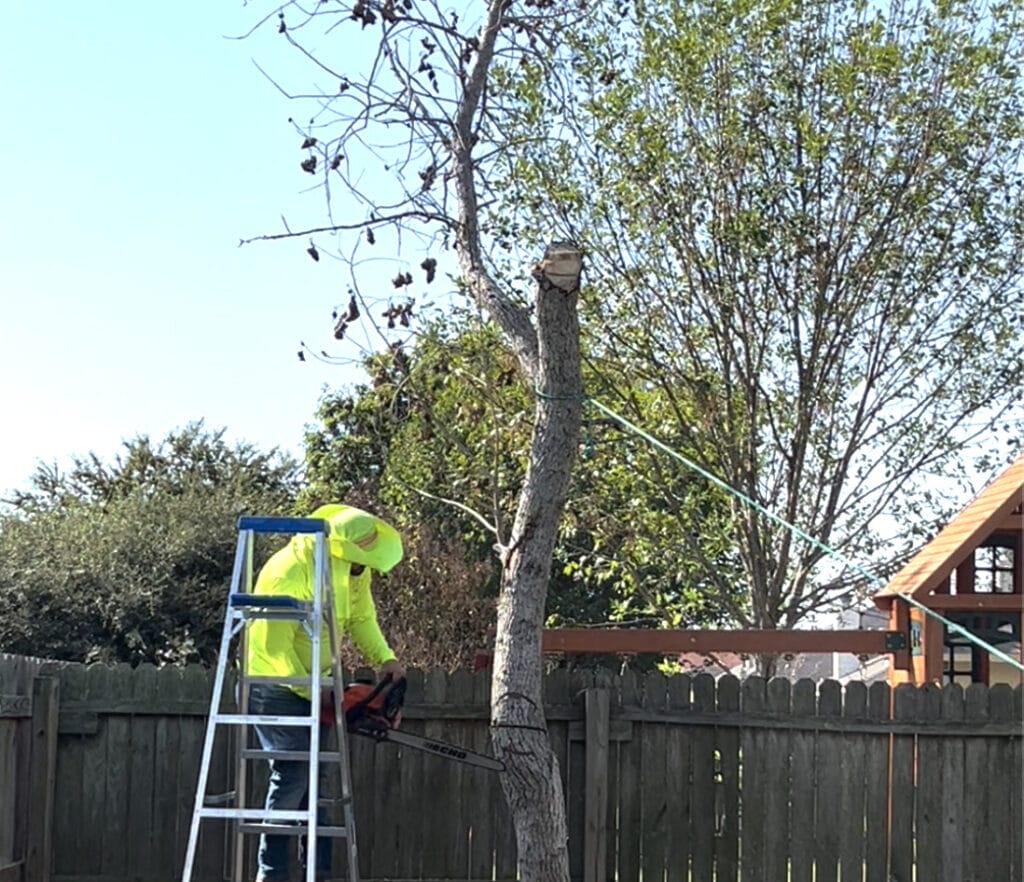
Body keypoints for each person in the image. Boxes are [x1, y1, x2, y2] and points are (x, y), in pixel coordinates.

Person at [245, 503, 405, 882]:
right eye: (357, 563)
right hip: (274, 683)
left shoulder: (354, 570)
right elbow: (274, 646)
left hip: (316, 681)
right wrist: (315, 690)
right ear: (338, 550)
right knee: (293, 774)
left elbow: (362, 618)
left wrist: (386, 659)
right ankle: (272, 874)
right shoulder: (289, 571)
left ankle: (320, 872)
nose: (361, 570)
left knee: (315, 782)